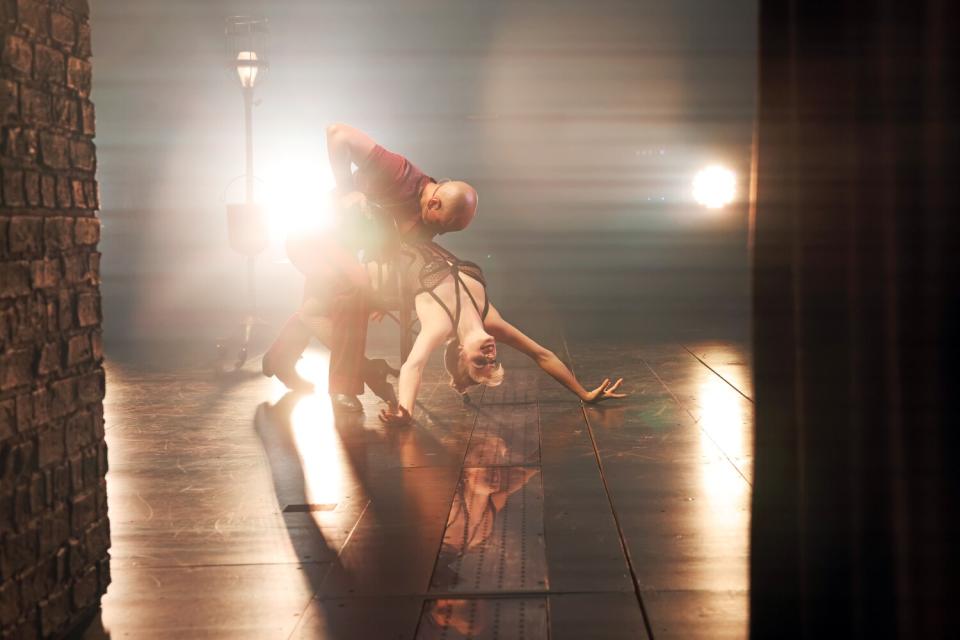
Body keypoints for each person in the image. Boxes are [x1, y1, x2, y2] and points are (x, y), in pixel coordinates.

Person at [263, 124, 480, 411]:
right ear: (435, 203)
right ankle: (351, 383)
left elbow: (398, 248)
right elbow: (337, 133)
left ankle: (280, 359)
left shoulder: (426, 215)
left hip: (342, 250)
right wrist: (346, 191)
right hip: (314, 236)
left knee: (318, 306)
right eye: (440, 226)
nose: (436, 233)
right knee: (351, 290)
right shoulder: (398, 172)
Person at [374, 239, 626, 426]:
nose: (490, 355)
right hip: (422, 230)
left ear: (461, 353)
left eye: (480, 361)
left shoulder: (439, 325)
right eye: (493, 361)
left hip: (388, 244)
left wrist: (404, 411)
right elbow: (542, 355)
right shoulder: (490, 319)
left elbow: (413, 366)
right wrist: (584, 394)